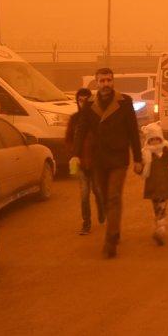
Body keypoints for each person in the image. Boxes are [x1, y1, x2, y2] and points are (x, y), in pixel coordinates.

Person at [74, 68, 142, 258]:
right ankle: (115, 228)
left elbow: (133, 132)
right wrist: (76, 153)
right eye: (102, 81)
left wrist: (137, 158)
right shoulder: (89, 105)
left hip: (119, 158)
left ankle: (110, 241)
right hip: (98, 160)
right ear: (96, 83)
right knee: (104, 198)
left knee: (113, 197)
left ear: (113, 82)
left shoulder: (125, 102)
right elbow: (81, 130)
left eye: (109, 80)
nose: (106, 84)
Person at [67, 88, 104, 235]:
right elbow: (69, 139)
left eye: (86, 100)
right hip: (81, 163)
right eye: (80, 101)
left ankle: (102, 211)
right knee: (84, 195)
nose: (83, 104)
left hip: (96, 163)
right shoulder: (74, 119)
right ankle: (86, 223)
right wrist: (73, 154)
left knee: (98, 191)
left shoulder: (98, 117)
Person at [138, 122, 168, 245]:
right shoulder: (146, 153)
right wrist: (139, 168)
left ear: (161, 138)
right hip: (152, 186)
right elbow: (141, 168)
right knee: (157, 208)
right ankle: (159, 226)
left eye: (157, 139)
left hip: (165, 185)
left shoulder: (167, 151)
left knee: (161, 207)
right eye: (152, 140)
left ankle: (160, 229)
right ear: (148, 141)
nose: (155, 142)